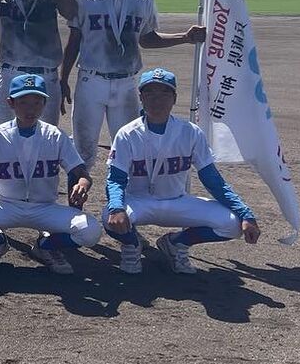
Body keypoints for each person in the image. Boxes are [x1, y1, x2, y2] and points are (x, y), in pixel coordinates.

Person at [61, 0, 204, 171]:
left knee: (129, 147)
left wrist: (185, 37)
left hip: (126, 83)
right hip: (90, 80)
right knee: (83, 148)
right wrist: (63, 78)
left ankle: (124, 194)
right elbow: (74, 39)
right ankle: (78, 192)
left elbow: (147, 39)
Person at [101, 68, 260, 275]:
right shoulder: (127, 134)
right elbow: (116, 179)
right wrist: (116, 208)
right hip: (139, 202)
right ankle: (132, 245)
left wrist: (245, 213)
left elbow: (212, 180)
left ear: (174, 98)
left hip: (177, 200)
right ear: (141, 98)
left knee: (232, 223)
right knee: (109, 216)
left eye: (164, 93)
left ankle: (176, 243)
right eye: (150, 93)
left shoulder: (190, 132)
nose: (157, 100)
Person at [0, 73, 101, 275]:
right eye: (23, 102)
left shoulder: (55, 136)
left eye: (37, 102)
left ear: (44, 104)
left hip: (45, 207)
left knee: (90, 231)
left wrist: (83, 184)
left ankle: (45, 246)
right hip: (5, 204)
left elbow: (81, 172)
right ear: (11, 103)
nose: (30, 109)